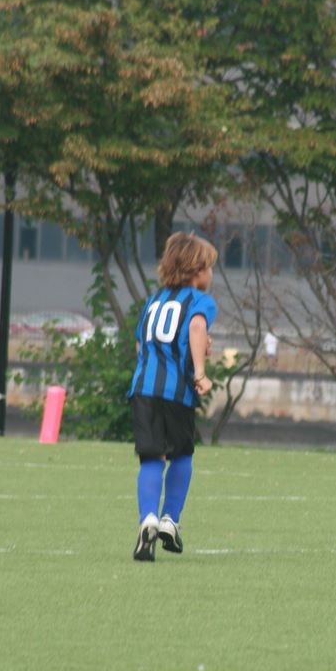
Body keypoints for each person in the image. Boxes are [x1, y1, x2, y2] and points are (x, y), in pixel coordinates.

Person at [128, 231, 217, 562]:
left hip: (143, 389)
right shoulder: (200, 301)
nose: (211, 273)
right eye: (209, 267)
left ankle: (148, 519)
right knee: (181, 454)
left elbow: (141, 344)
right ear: (197, 270)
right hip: (176, 392)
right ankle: (170, 520)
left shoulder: (153, 301)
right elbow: (196, 328)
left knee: (151, 458)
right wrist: (200, 372)